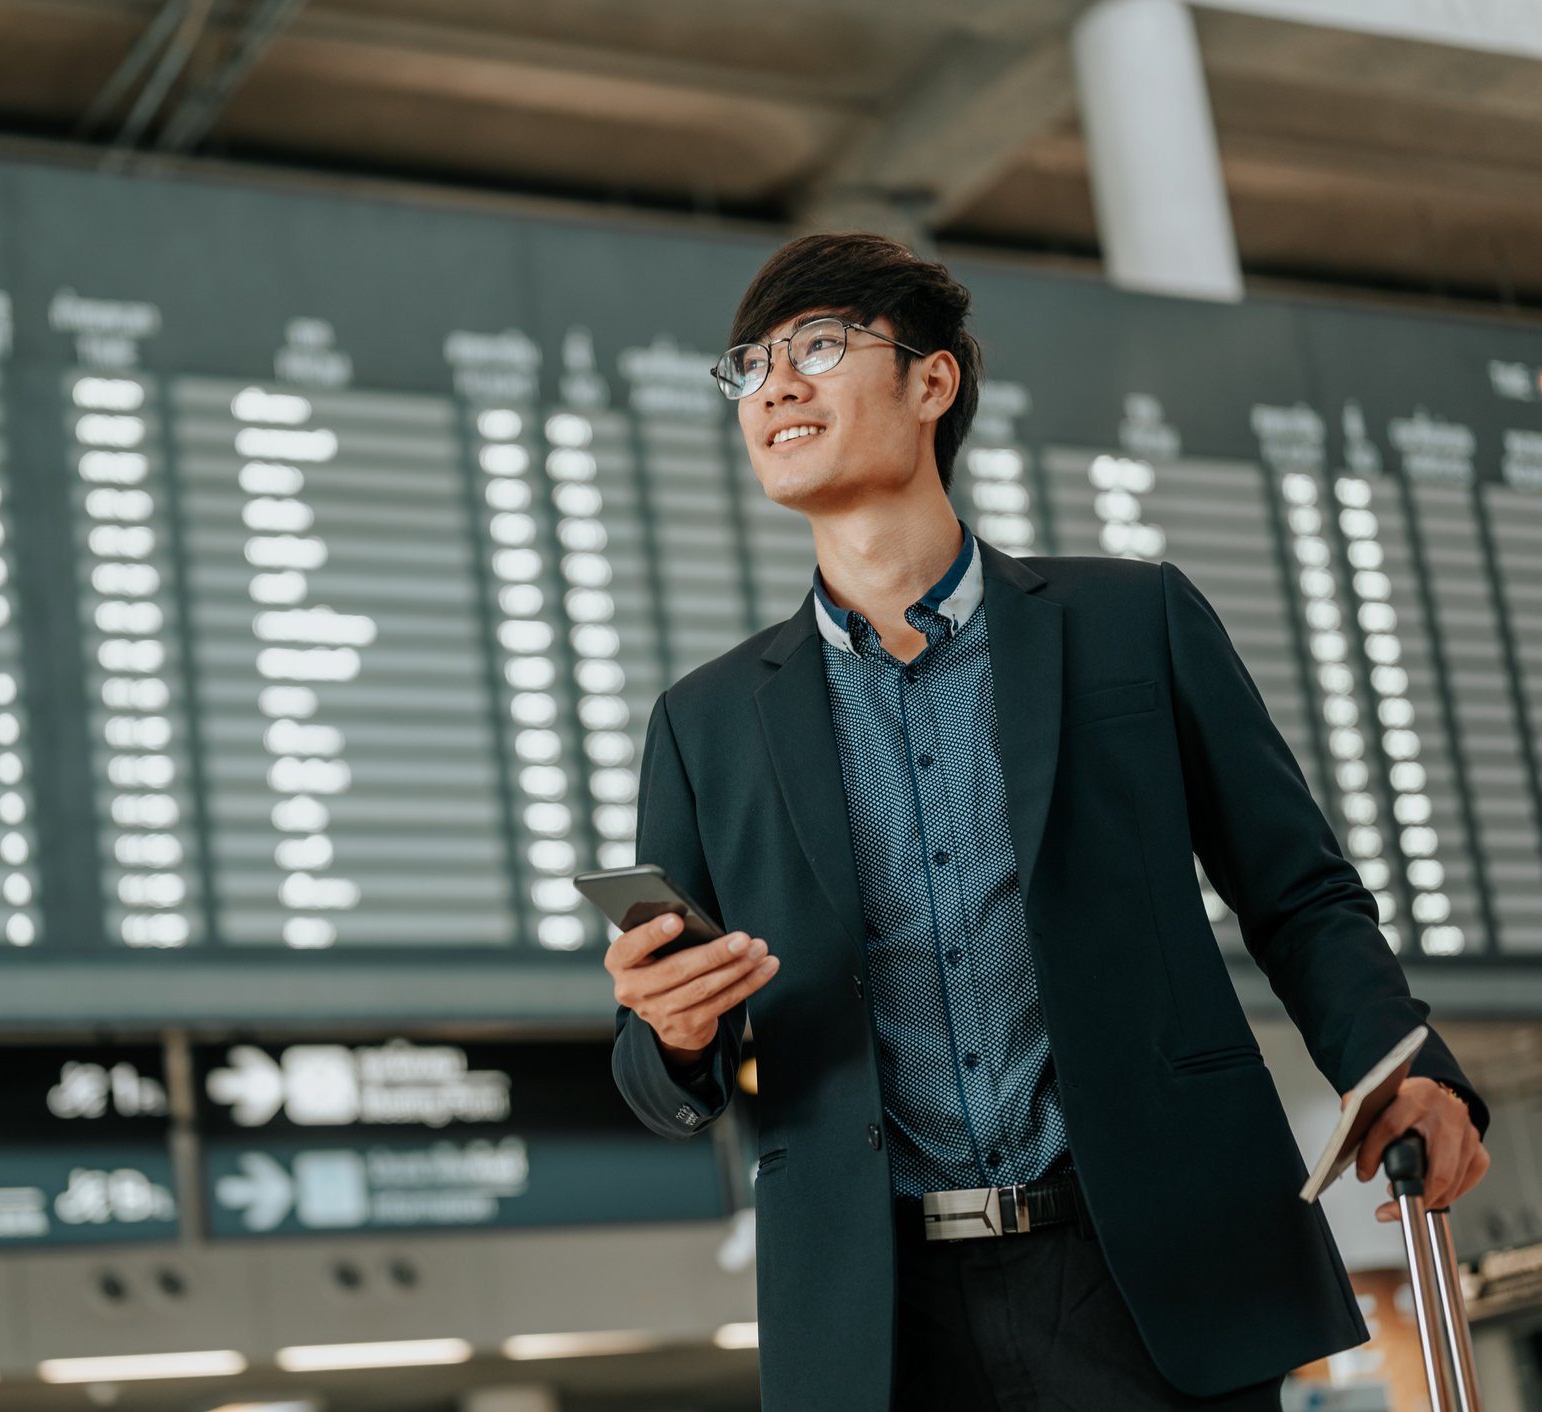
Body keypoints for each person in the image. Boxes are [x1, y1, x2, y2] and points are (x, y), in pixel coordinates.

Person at [605, 232, 1490, 1411]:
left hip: (1148, 1268)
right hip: (880, 1320)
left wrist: (1398, 1064)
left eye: (818, 346)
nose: (775, 385)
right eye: (750, 366)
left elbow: (1297, 891)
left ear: (932, 383)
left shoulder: (1133, 622)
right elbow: (665, 1072)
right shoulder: (703, 723)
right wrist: (667, 1033)